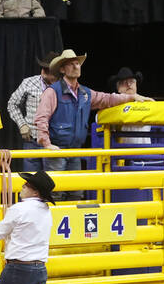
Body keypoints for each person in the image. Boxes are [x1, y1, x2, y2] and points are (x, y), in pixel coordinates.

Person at [34, 49, 150, 199]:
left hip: (75, 150)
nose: (76, 67)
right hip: (57, 150)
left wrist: (132, 97)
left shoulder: (85, 93)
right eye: (71, 64)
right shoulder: (53, 92)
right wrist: (46, 143)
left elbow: (107, 99)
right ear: (62, 69)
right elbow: (41, 117)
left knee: (76, 192)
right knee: (55, 192)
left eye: (77, 63)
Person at [6, 51, 60, 163]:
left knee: (52, 177)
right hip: (32, 141)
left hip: (54, 141)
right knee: (31, 177)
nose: (44, 71)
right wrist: (22, 125)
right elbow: (12, 104)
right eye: (43, 68)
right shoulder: (29, 83)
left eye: (49, 69)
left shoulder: (63, 87)